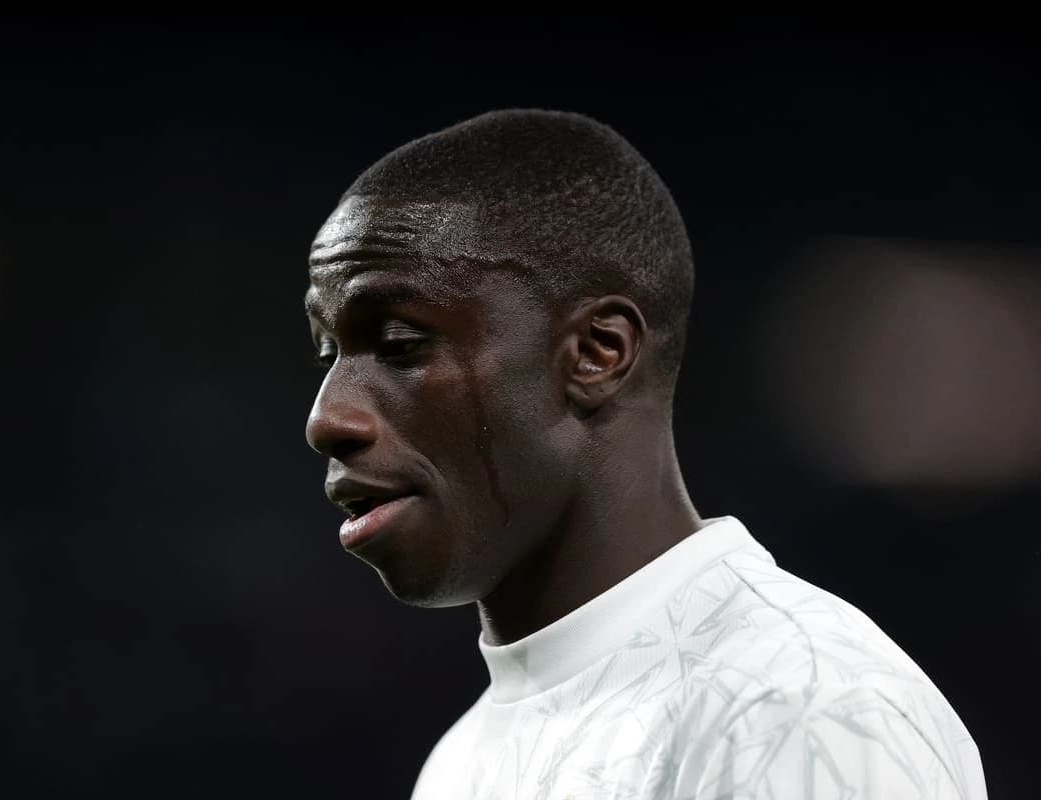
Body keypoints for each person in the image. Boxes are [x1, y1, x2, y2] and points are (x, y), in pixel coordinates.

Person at [303, 109, 987, 799]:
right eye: (328, 355)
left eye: (398, 344)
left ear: (597, 354)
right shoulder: (460, 764)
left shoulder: (798, 704)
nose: (327, 419)